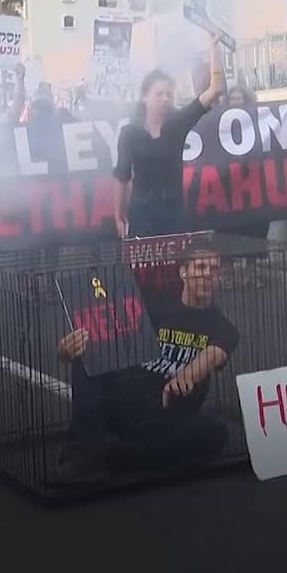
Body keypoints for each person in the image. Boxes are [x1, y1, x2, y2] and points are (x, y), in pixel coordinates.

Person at [57, 247, 234, 477]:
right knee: (87, 356)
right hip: (128, 397)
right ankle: (92, 448)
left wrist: (188, 375)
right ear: (183, 272)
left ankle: (107, 453)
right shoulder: (153, 303)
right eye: (200, 267)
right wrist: (65, 350)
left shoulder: (222, 326)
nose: (207, 275)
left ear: (220, 278)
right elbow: (105, 331)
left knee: (216, 434)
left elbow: (214, 354)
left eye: (214, 270)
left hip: (169, 409)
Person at [112, 36, 224, 238]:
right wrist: (118, 215)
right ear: (145, 96)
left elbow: (214, 91)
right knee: (145, 269)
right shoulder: (130, 133)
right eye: (159, 93)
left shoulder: (177, 125)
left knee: (174, 267)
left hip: (173, 214)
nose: (165, 98)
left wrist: (213, 49)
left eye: (168, 94)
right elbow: (122, 176)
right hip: (142, 215)